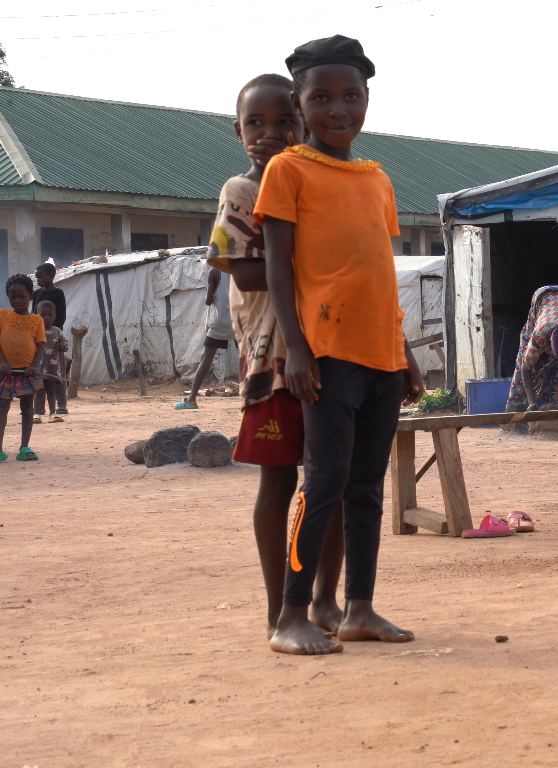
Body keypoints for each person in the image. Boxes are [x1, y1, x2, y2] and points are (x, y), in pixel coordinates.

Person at [257, 35, 424, 654]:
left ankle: (359, 608)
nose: (338, 109)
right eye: (322, 97)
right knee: (321, 479)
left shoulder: (377, 179)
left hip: (380, 352)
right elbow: (278, 266)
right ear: (300, 105)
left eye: (351, 96)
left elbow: (380, 269)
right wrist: (296, 347)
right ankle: (291, 616)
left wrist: (403, 352)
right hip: (325, 352)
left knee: (366, 485)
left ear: (367, 100)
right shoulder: (288, 169)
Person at [208, 72, 346, 638]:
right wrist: (306, 263)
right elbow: (239, 271)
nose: (271, 133)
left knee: (330, 483)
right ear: (237, 130)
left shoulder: (318, 183)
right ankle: (277, 611)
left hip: (333, 351)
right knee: (279, 483)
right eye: (255, 123)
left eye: (284, 121)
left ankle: (326, 601)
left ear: (303, 122)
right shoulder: (241, 192)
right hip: (272, 362)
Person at [501, 285, 558, 430]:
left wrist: (548, 367)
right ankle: (515, 421)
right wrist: (532, 402)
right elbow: (525, 367)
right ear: (549, 344)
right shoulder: (538, 335)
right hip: (543, 305)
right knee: (523, 364)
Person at [0, 274, 45, 464]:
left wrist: (34, 366)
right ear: (8, 296)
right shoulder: (1, 315)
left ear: (31, 296)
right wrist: (3, 362)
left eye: (21, 296)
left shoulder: (37, 320)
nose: (17, 300)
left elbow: (40, 345)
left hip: (27, 373)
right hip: (7, 373)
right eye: (12, 296)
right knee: (1, 407)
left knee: (27, 408)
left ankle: (25, 448)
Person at [175, 266, 234, 409]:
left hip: (219, 322)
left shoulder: (215, 271)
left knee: (207, 358)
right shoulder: (242, 268)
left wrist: (208, 291)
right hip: (240, 320)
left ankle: (192, 399)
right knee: (250, 358)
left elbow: (208, 301)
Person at [33, 263, 70, 415]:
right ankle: (39, 408)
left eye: (40, 277)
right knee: (39, 375)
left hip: (54, 340)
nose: (38, 280)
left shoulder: (58, 293)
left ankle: (61, 404)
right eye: (37, 277)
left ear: (51, 276)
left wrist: (55, 336)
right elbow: (33, 314)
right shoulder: (37, 294)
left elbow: (61, 316)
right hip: (39, 339)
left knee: (58, 373)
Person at [33, 300, 68, 424]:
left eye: (49, 315)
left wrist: (61, 346)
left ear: (55, 316)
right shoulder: (34, 330)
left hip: (53, 368)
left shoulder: (57, 331)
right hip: (38, 368)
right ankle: (36, 414)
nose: (46, 318)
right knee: (39, 390)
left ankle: (52, 414)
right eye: (43, 315)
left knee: (51, 391)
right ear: (37, 316)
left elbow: (65, 344)